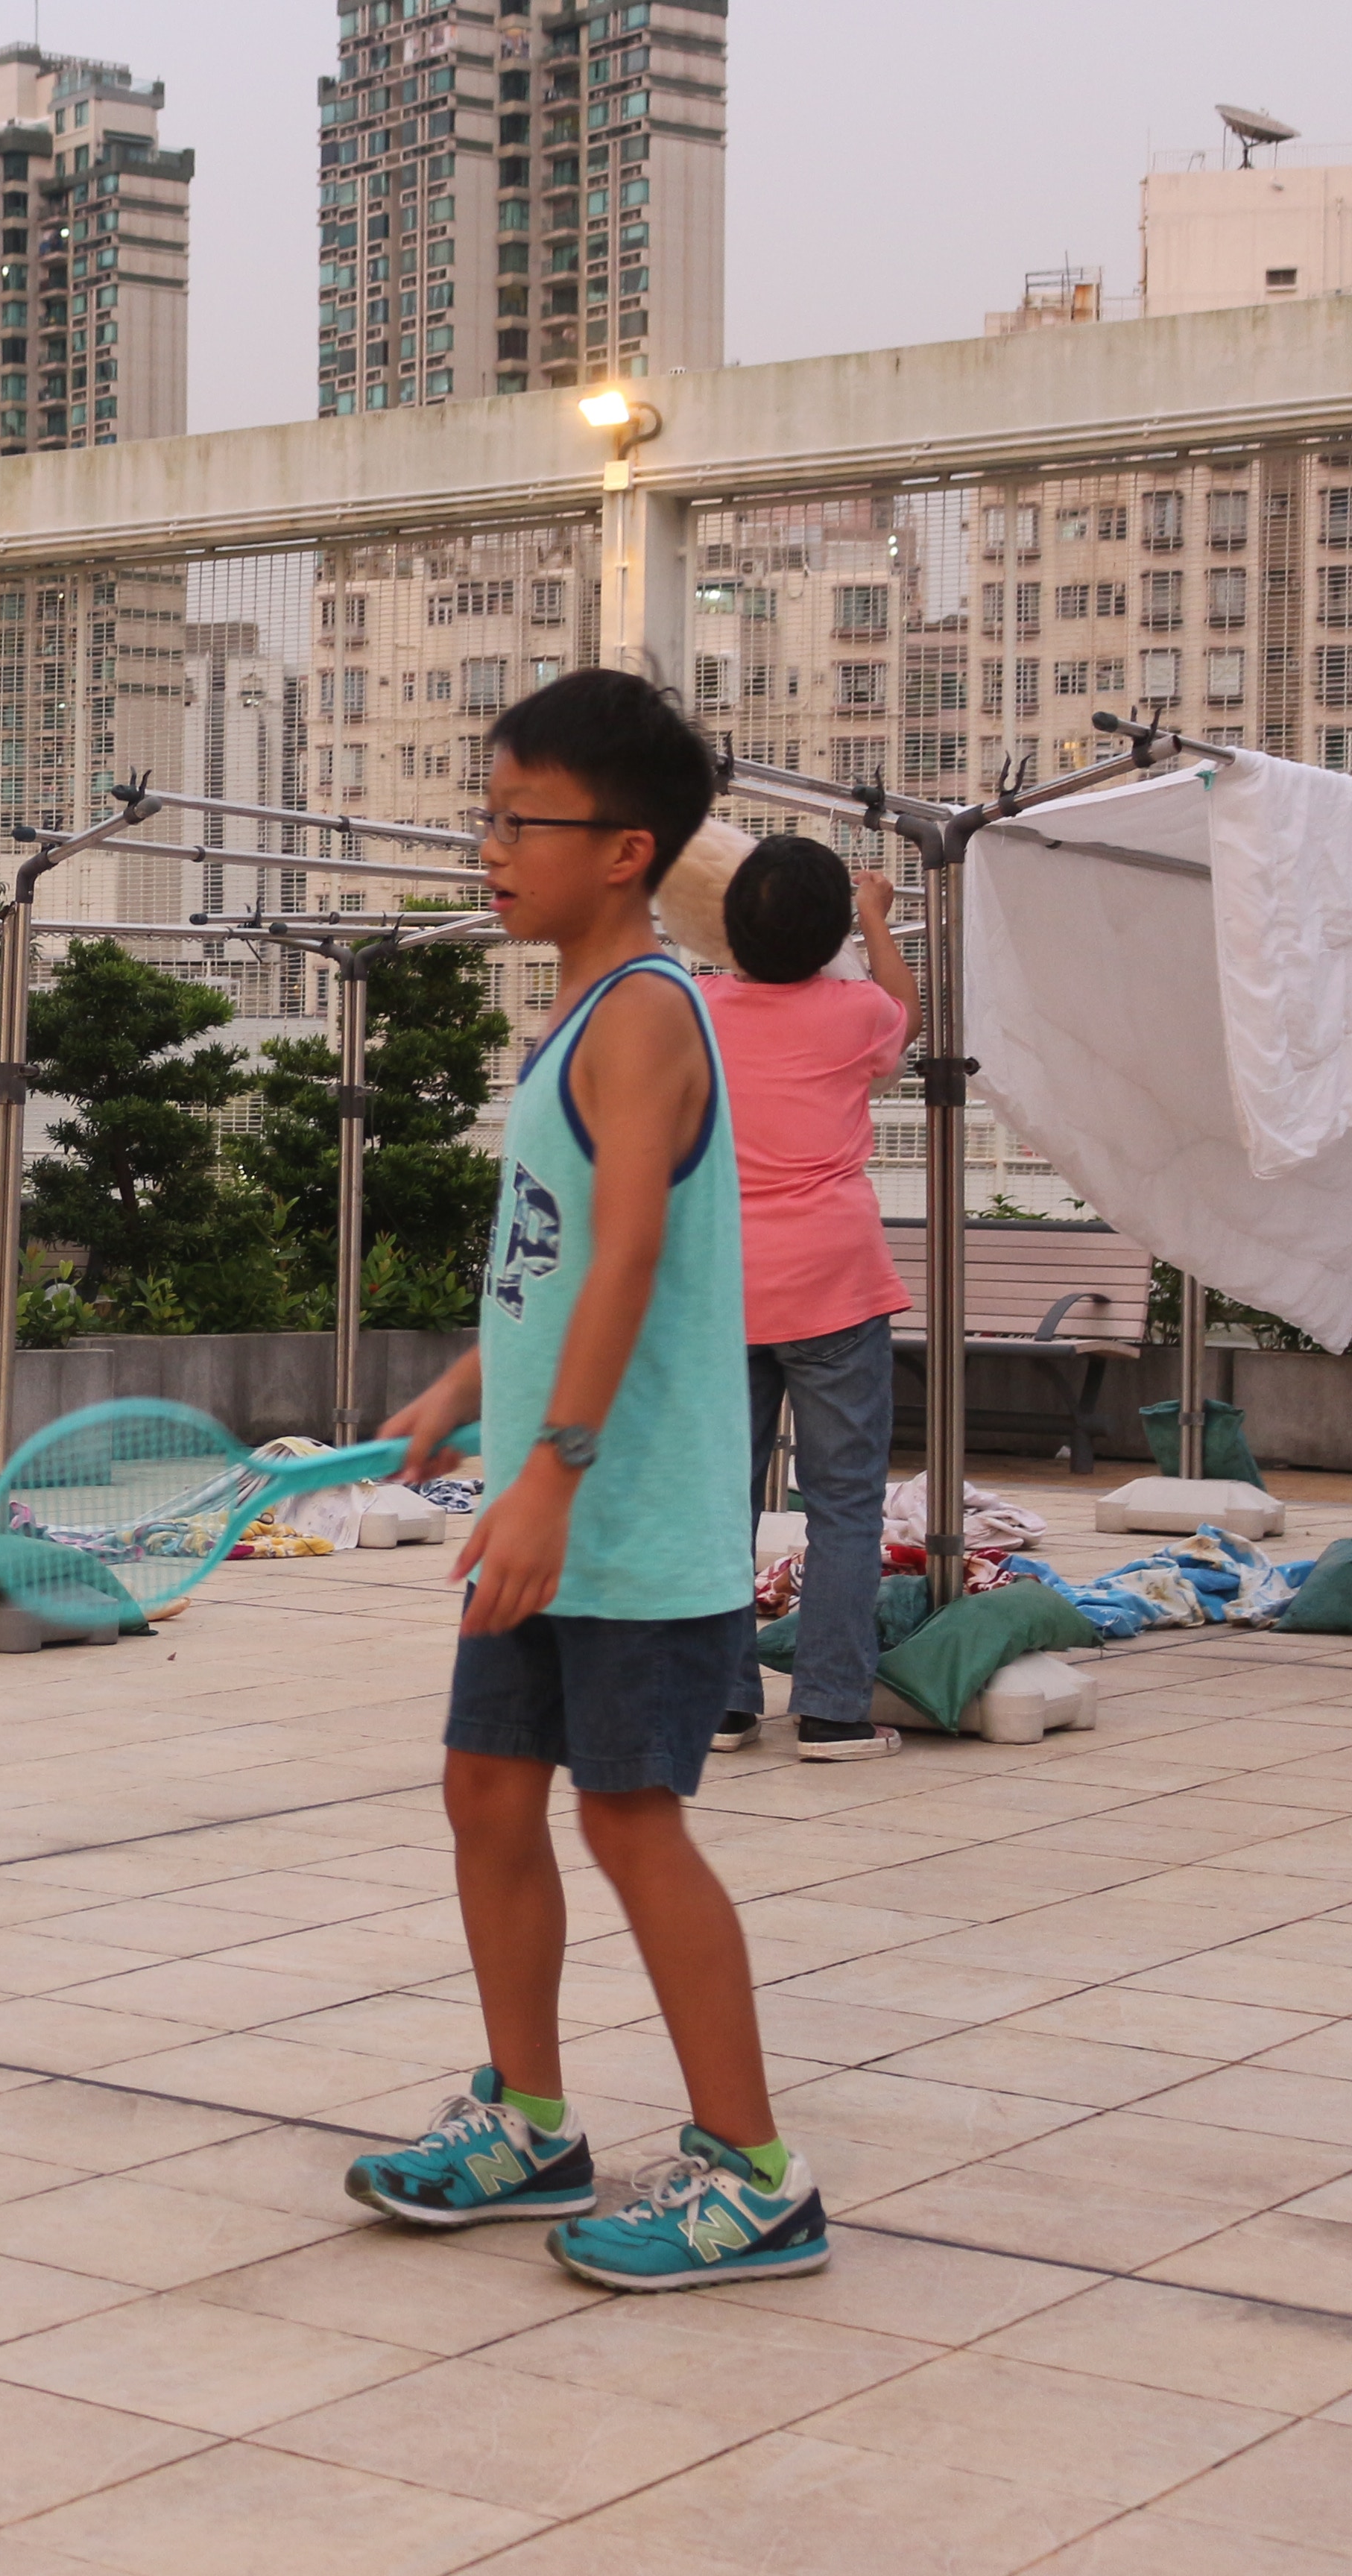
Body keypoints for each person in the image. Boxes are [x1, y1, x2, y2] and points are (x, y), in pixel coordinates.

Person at [347, 669, 828, 2291]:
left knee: (633, 1822)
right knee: (486, 1791)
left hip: (623, 1518)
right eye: (484, 813)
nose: (487, 848)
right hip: (549, 1504)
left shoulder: (644, 1019)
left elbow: (633, 1253)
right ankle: (530, 2121)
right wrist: (467, 1389)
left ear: (623, 849)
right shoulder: (583, 1012)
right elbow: (558, 1269)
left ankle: (756, 2175)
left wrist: (550, 1473)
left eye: (516, 820)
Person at [705, 836, 920, 1763]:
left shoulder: (693, 1008)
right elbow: (904, 1012)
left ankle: (722, 1702)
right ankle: (832, 1709)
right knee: (843, 1503)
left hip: (719, 1285)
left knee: (719, 1499)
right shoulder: (856, 1012)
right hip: (834, 1283)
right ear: (832, 931)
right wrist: (876, 914)